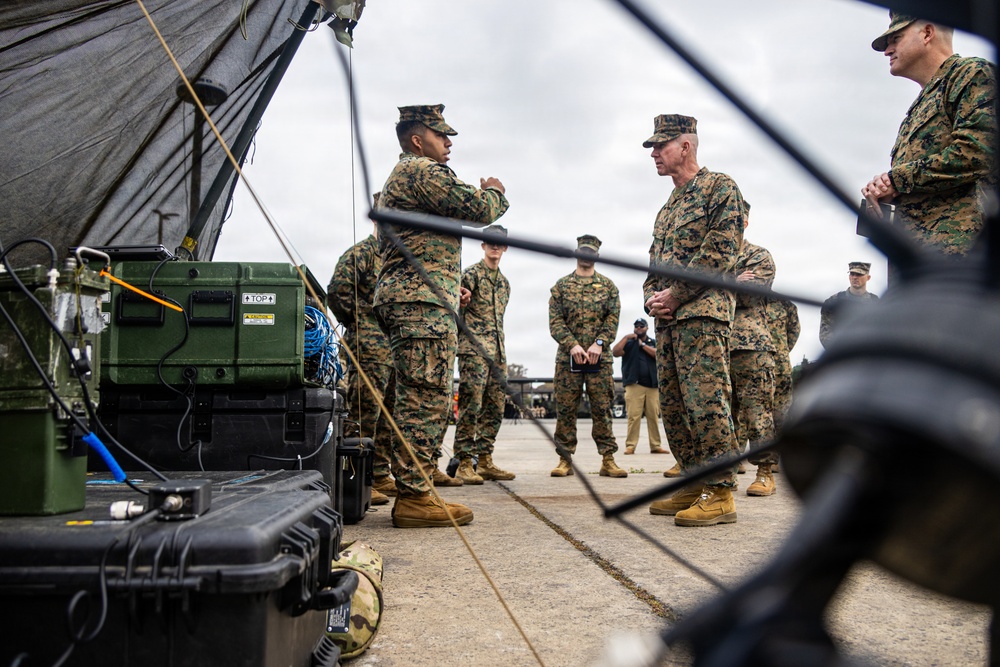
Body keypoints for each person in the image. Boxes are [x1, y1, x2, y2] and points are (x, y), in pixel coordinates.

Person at [374, 104, 509, 528]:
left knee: (414, 393)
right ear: (418, 139)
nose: (448, 143)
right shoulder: (420, 169)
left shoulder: (411, 176)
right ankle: (415, 497)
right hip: (419, 304)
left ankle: (417, 478)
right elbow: (478, 208)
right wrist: (496, 192)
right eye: (441, 136)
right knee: (425, 396)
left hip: (420, 299)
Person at [641, 114, 744, 527]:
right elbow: (653, 266)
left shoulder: (720, 187)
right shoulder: (667, 208)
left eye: (660, 145)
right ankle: (692, 479)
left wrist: (677, 294)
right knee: (674, 405)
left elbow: (721, 251)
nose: (653, 154)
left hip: (703, 315)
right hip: (668, 322)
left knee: (707, 401)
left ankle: (719, 492)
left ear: (685, 146)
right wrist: (652, 300)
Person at [863, 11, 997, 258]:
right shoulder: (919, 106)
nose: (887, 50)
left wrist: (897, 179)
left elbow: (979, 151)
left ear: (927, 33)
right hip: (919, 264)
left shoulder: (971, 74)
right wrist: (882, 193)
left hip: (963, 262)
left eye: (896, 38)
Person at [327, 196, 393, 506]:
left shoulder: (394, 256)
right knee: (365, 411)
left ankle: (379, 474)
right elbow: (337, 291)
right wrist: (360, 323)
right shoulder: (362, 253)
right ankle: (358, 476)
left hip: (392, 346)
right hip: (368, 345)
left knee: (387, 411)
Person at [548, 235, 627, 479]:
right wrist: (572, 345)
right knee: (566, 409)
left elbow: (612, 320)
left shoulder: (608, 287)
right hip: (568, 360)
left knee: (602, 408)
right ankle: (564, 459)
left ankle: (608, 459)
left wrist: (599, 344)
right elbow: (555, 321)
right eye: (583, 251)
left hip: (598, 360)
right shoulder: (561, 287)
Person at [453, 224, 516, 484]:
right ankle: (464, 462)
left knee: (494, 406)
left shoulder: (504, 284)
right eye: (489, 242)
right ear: (482, 245)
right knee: (471, 404)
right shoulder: (469, 276)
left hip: (498, 353)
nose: (494, 247)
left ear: (505, 247)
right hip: (473, 351)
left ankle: (485, 459)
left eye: (499, 243)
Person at [729, 203, 778, 497]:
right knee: (719, 414)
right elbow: (688, 292)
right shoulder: (709, 258)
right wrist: (731, 280)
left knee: (757, 413)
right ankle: (721, 474)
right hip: (715, 343)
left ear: (745, 221)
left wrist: (714, 286)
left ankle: (764, 472)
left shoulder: (759, 256)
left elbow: (749, 296)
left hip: (750, 345)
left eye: (736, 218)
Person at [611, 318, 666, 455]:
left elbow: (658, 355)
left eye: (642, 326)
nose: (639, 328)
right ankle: (630, 445)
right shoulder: (629, 344)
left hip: (652, 386)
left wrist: (642, 345)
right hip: (634, 385)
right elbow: (615, 352)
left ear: (647, 328)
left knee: (653, 416)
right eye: (636, 326)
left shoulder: (653, 342)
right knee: (633, 416)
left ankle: (655, 445)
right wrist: (626, 337)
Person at [819, 262, 879, 349]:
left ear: (868, 278)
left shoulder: (876, 303)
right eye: (852, 274)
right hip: (842, 356)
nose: (855, 277)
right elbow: (825, 335)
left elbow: (882, 333)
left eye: (859, 274)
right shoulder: (834, 301)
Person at [766, 298, 800, 439]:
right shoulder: (743, 300)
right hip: (749, 365)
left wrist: (781, 351)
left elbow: (794, 331)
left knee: (782, 412)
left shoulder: (784, 303)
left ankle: (781, 451)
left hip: (780, 366)